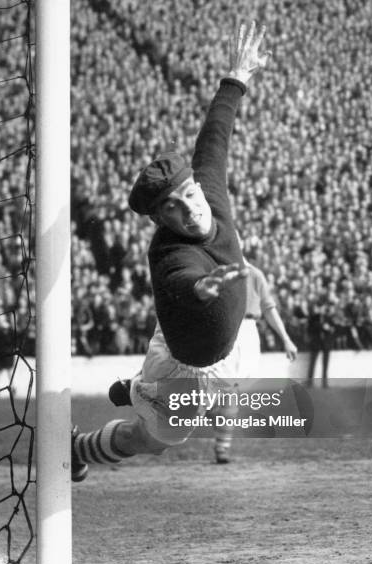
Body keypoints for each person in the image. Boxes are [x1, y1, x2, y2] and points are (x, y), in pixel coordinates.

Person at [71, 19, 271, 482]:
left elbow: (215, 139)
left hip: (231, 341)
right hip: (185, 365)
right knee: (153, 443)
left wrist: (237, 77)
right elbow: (181, 281)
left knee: (240, 393)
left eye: (190, 195)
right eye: (173, 208)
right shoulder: (168, 253)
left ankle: (136, 389)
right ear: (161, 219)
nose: (190, 210)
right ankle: (83, 443)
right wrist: (204, 287)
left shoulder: (210, 193)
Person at [213, 259, 298, 463]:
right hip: (224, 328)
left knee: (231, 390)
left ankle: (222, 446)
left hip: (248, 331)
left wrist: (286, 339)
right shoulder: (217, 271)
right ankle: (219, 435)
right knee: (218, 389)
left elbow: (269, 308)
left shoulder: (255, 274)